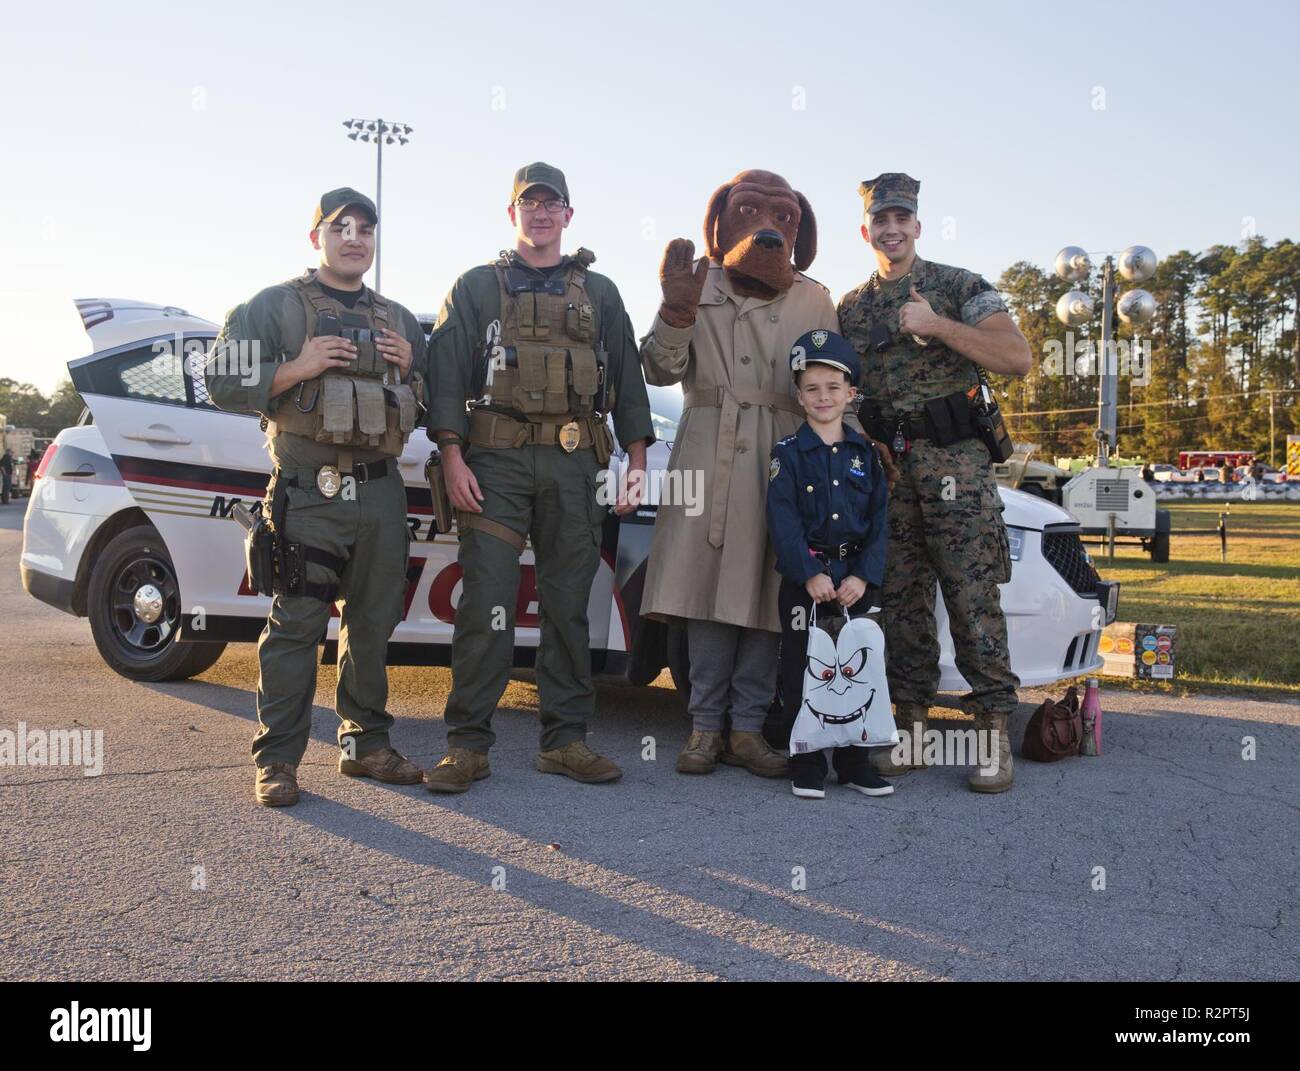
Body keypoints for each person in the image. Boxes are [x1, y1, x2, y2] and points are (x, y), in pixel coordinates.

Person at [423, 162, 654, 793]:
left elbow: (629, 381)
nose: (542, 213)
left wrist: (636, 462)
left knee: (567, 608)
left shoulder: (600, 293)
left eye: (553, 204)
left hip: (576, 464)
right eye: (530, 203)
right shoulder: (474, 287)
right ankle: (467, 745)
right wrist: (451, 455)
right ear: (513, 213)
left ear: (569, 215)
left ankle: (566, 741)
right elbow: (444, 376)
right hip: (494, 463)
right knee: (487, 605)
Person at [205, 187, 428, 807]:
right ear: (317, 238)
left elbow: (437, 400)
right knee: (298, 625)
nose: (354, 238)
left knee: (373, 626)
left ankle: (366, 746)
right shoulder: (272, 307)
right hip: (309, 492)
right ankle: (277, 761)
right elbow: (222, 382)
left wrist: (413, 366)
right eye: (340, 227)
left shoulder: (399, 319)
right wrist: (296, 367)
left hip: (382, 496)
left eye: (365, 229)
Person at [639, 169, 843, 779]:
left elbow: (834, 386)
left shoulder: (814, 297)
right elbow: (658, 369)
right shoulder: (695, 282)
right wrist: (676, 311)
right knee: (702, 591)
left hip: (785, 453)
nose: (768, 228)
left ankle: (749, 730)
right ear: (721, 220)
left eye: (784, 218)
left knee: (768, 587)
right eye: (752, 212)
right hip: (705, 447)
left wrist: (842, 454)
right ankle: (704, 728)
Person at [838, 173, 1032, 793]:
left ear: (918, 226)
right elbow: (844, 386)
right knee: (900, 600)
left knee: (972, 595)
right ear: (865, 231)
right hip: (891, 469)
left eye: (902, 218)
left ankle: (994, 733)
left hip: (956, 465)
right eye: (880, 221)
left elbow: (1016, 357)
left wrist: (939, 324)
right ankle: (913, 729)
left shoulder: (958, 286)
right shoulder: (851, 307)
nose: (891, 229)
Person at [767, 330, 892, 799]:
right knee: (803, 667)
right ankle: (806, 760)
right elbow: (782, 520)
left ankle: (855, 762)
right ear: (799, 396)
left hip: (856, 582)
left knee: (861, 668)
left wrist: (863, 575)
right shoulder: (787, 454)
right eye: (813, 388)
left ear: (851, 395)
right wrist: (810, 573)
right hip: (808, 583)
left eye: (833, 388)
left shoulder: (867, 456)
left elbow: (880, 520)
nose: (823, 397)